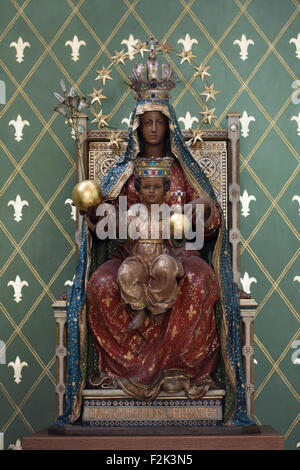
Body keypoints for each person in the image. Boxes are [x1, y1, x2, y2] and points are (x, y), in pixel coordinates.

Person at [59, 45, 252, 428]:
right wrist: (95, 209)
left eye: (158, 121)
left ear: (169, 125)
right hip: (129, 254)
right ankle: (120, 373)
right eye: (145, 120)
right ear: (136, 125)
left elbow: (210, 221)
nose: (151, 127)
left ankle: (182, 370)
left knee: (199, 281)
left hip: (179, 254)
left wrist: (201, 211)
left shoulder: (185, 169)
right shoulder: (122, 171)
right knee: (100, 284)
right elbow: (105, 224)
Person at [117, 158, 185, 330]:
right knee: (126, 272)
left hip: (161, 255)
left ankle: (157, 307)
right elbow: (124, 239)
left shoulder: (170, 213)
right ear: (139, 189)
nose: (152, 192)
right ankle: (139, 309)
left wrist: (178, 229)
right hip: (138, 257)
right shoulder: (133, 212)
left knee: (165, 268)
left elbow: (176, 241)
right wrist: (120, 228)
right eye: (147, 187)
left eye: (157, 187)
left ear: (165, 189)